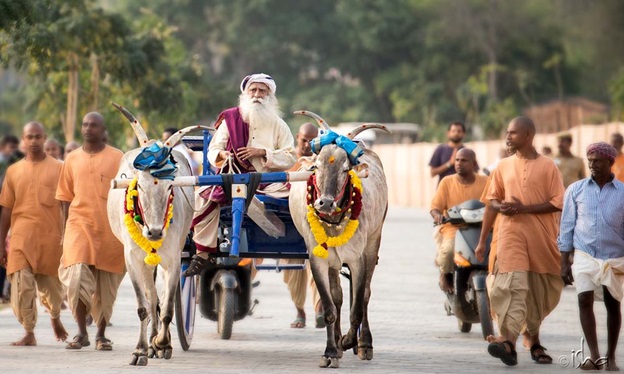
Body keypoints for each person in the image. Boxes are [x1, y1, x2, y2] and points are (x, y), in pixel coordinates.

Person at [183, 73, 296, 276]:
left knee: (297, 198)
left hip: (267, 183)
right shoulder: (231, 119)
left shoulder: (278, 124)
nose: (257, 95)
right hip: (231, 178)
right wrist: (222, 154)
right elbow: (213, 150)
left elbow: (290, 157)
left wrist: (263, 153)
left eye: (262, 91)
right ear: (245, 94)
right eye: (253, 90)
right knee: (203, 198)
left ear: (270, 96)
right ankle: (203, 253)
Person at [475, 116, 565, 367]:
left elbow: (557, 202)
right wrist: (483, 239)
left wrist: (524, 208)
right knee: (509, 286)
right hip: (509, 235)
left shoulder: (549, 167)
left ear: (528, 135)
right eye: (507, 132)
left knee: (536, 292)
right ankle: (508, 344)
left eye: (513, 133)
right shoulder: (502, 166)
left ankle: (534, 341)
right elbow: (490, 201)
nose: (508, 137)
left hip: (541, 238)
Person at [56, 112, 124, 350]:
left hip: (110, 228)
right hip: (78, 224)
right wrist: (64, 230)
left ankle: (101, 335)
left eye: (94, 125)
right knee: (75, 278)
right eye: (85, 124)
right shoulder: (72, 159)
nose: (88, 128)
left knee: (106, 289)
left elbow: (128, 195)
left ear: (103, 129)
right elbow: (64, 198)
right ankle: (81, 333)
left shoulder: (118, 157)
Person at [0, 122, 68, 346]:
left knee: (53, 290)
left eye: (38, 137)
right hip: (20, 237)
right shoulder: (13, 171)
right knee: (20, 287)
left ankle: (55, 316)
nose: (34, 141)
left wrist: (67, 234)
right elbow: (6, 209)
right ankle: (29, 331)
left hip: (51, 237)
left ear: (44, 137)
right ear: (23, 139)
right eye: (29, 137)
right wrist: (1, 244)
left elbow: (66, 204)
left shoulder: (59, 168)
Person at [559, 142, 624, 371]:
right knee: (583, 300)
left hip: (614, 257)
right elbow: (567, 226)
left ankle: (611, 357)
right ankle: (595, 356)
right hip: (584, 254)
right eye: (590, 160)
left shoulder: (623, 193)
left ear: (610, 162)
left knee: (612, 303)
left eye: (597, 160)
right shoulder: (575, 190)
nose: (592, 164)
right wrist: (564, 263)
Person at [282, 122, 324, 328]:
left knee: (320, 264)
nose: (307, 145)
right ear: (297, 137)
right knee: (292, 270)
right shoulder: (287, 158)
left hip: (317, 221)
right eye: (304, 140)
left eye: (311, 141)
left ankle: (319, 309)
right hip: (289, 221)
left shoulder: (323, 161)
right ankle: (300, 311)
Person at [430, 148, 487, 293]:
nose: (459, 163)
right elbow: (435, 207)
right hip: (454, 228)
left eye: (464, 160)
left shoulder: (486, 182)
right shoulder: (447, 182)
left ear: (474, 164)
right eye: (457, 160)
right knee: (448, 252)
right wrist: (437, 215)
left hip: (481, 228)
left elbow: (492, 204)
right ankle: (445, 274)